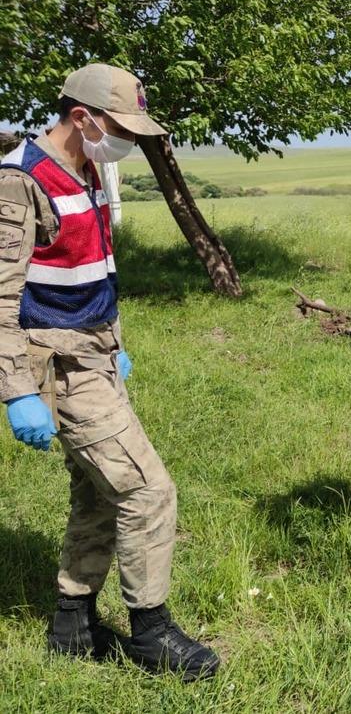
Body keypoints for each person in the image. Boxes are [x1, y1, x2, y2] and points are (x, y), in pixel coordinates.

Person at [0, 64, 219, 680]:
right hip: (63, 367)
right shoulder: (21, 180)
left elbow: (92, 268)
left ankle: (71, 627)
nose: (125, 138)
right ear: (81, 118)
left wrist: (114, 341)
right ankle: (150, 632)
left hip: (97, 355)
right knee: (148, 491)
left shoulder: (88, 168)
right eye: (118, 126)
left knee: (99, 493)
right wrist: (18, 391)